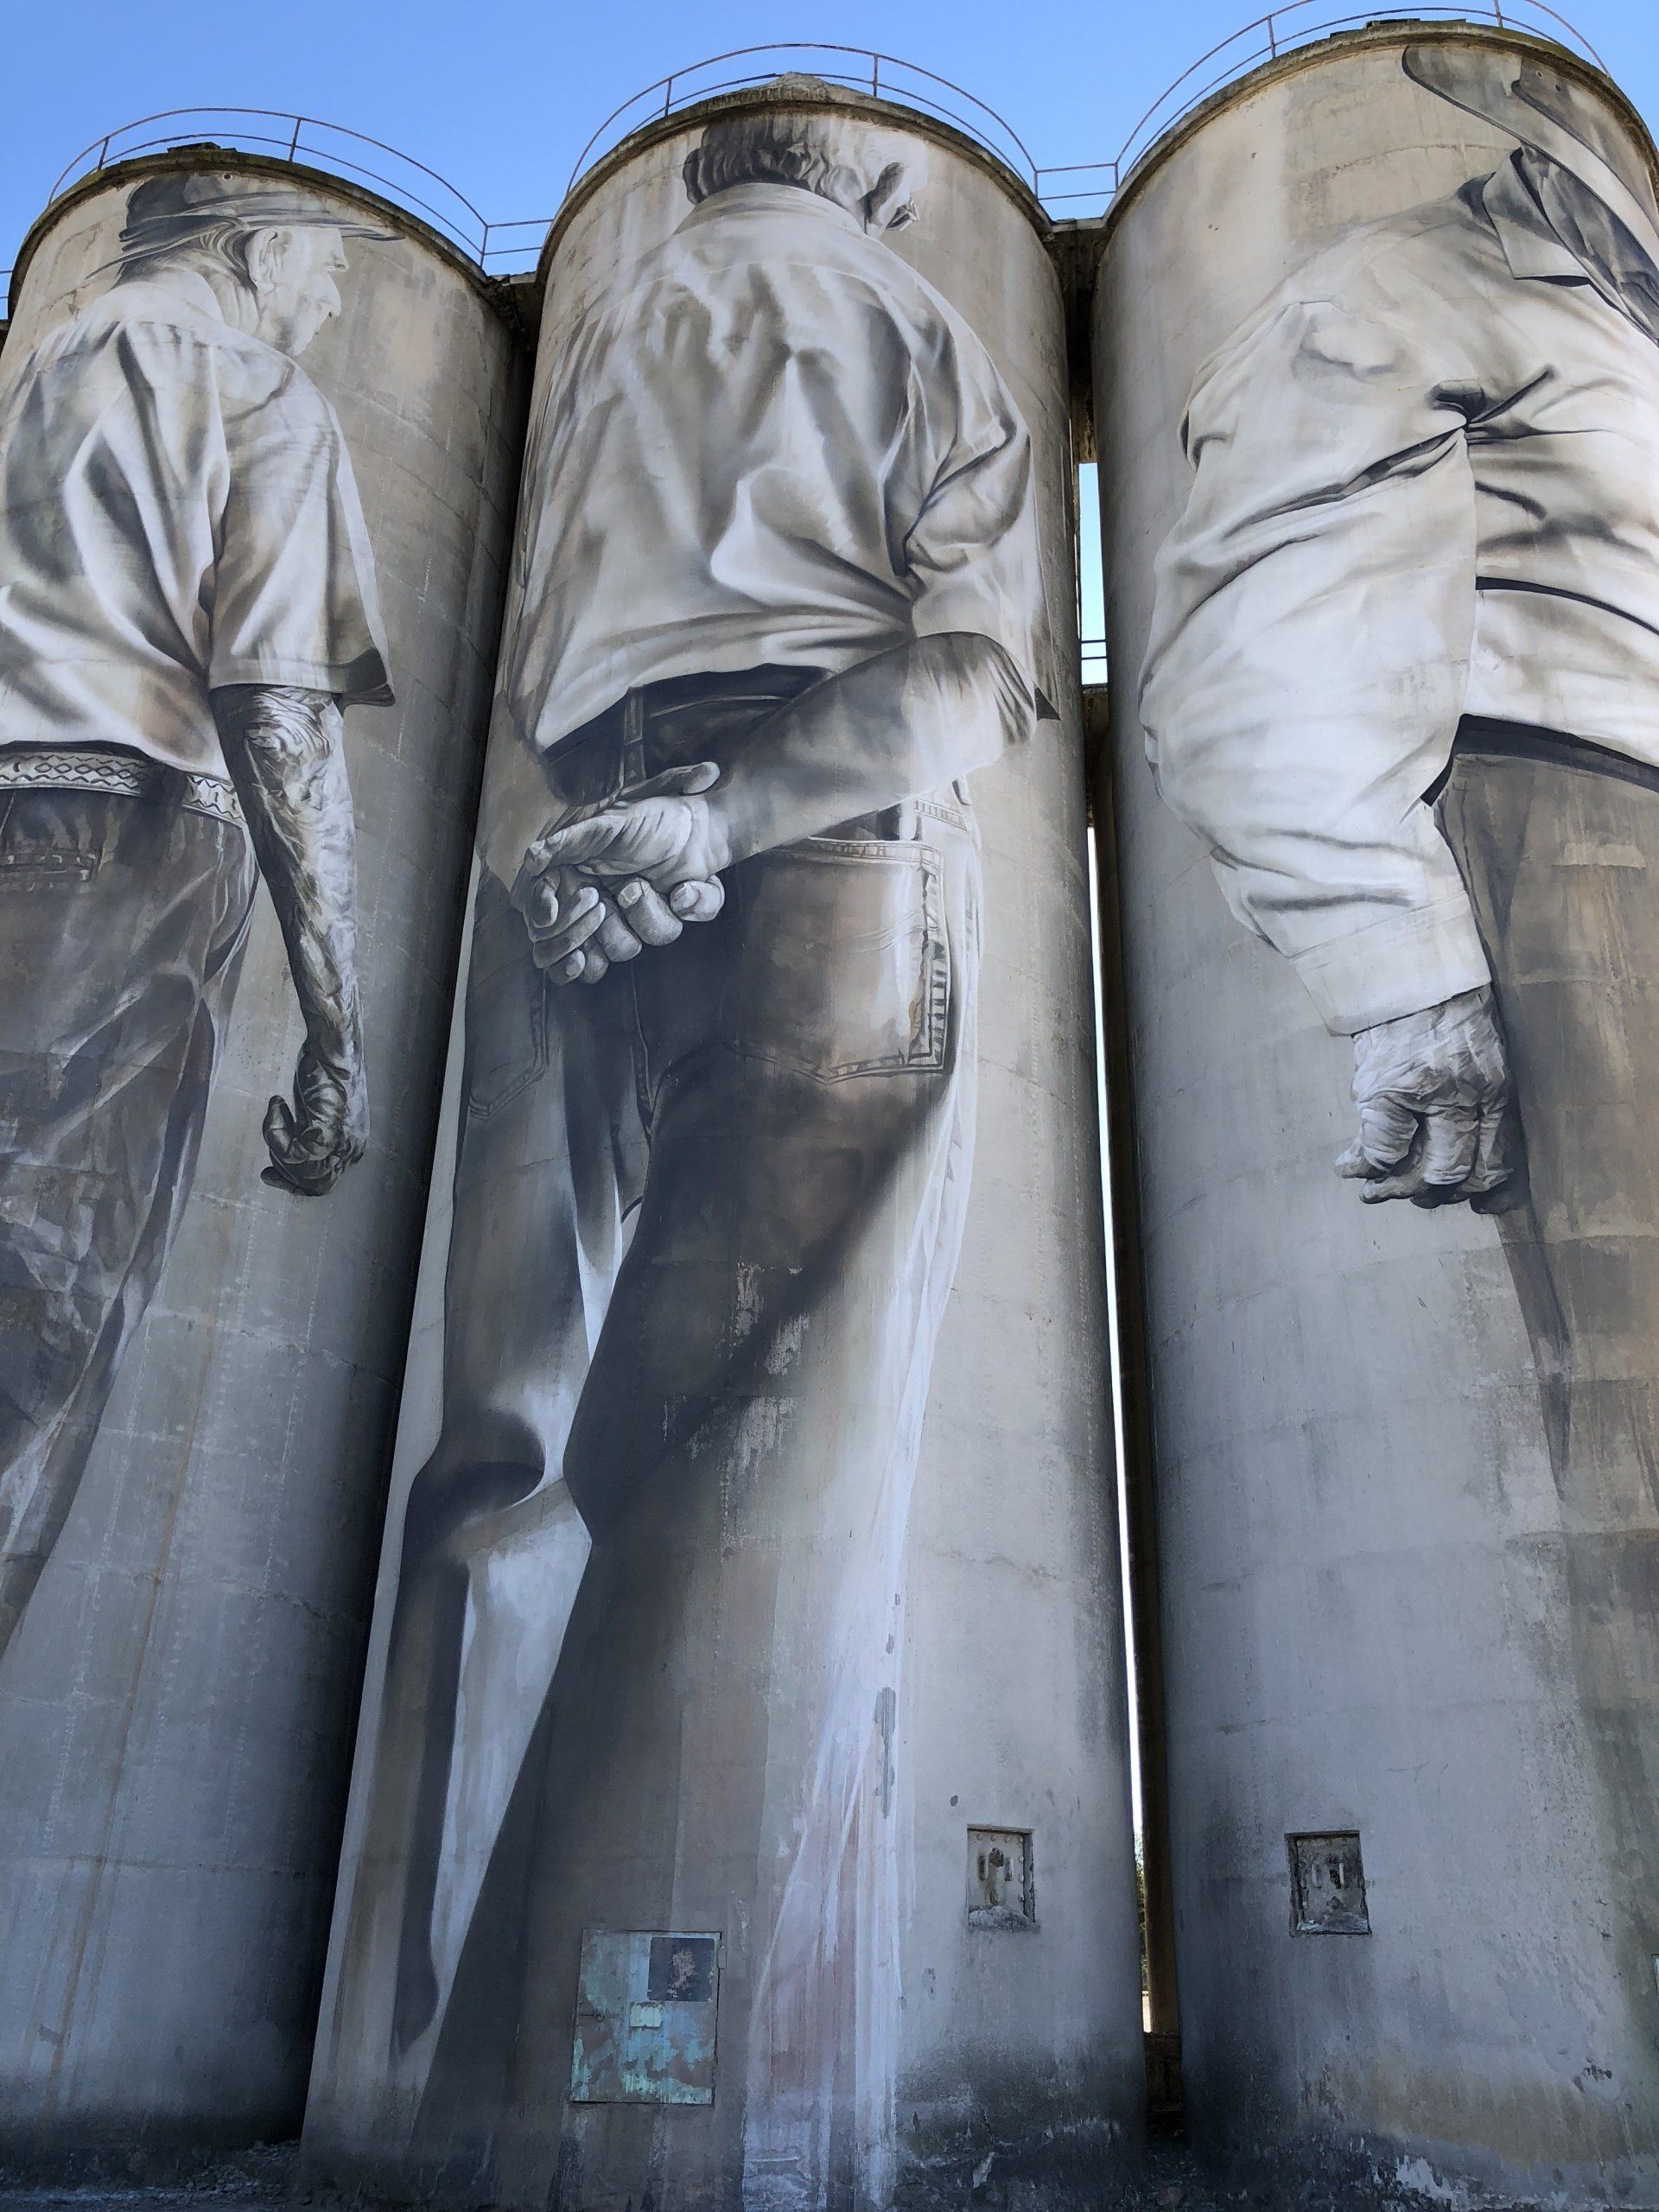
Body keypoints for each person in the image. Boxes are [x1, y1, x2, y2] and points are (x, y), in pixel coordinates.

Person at [334, 96, 1050, 2186]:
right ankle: (635, 2115)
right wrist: (728, 822)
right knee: (749, 1478)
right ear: (855, 179)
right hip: (813, 845)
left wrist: (603, 840)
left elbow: (537, 656)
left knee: (498, 1455)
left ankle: (413, 2078)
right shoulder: (913, 316)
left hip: (569, 862)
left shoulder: (602, 332)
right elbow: (980, 656)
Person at [1141, 45, 1659, 1212]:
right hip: (1580, 840)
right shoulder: (1400, 289)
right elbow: (1253, 642)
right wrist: (1403, 976)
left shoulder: (1626, 317)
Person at [0, 173, 391, 1656]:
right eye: (323, 266)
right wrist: (338, 1020)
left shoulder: (41, 365)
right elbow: (279, 706)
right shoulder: (257, 386)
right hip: (132, 843)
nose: (335, 297)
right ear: (255, 249)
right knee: (42, 1331)